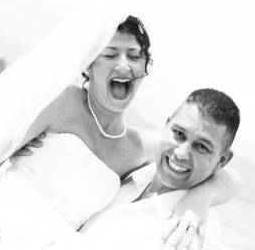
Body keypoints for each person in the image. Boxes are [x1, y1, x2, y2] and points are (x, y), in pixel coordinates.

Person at [0, 6, 240, 250]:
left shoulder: (142, 145)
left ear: (146, 68)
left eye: (134, 56)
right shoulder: (61, 103)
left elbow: (225, 174)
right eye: (109, 53)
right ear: (88, 65)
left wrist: (203, 196)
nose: (124, 64)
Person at [39, 88, 241, 250]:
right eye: (179, 134)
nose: (181, 153)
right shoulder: (136, 171)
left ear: (221, 161)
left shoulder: (188, 236)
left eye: (201, 147)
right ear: (166, 124)